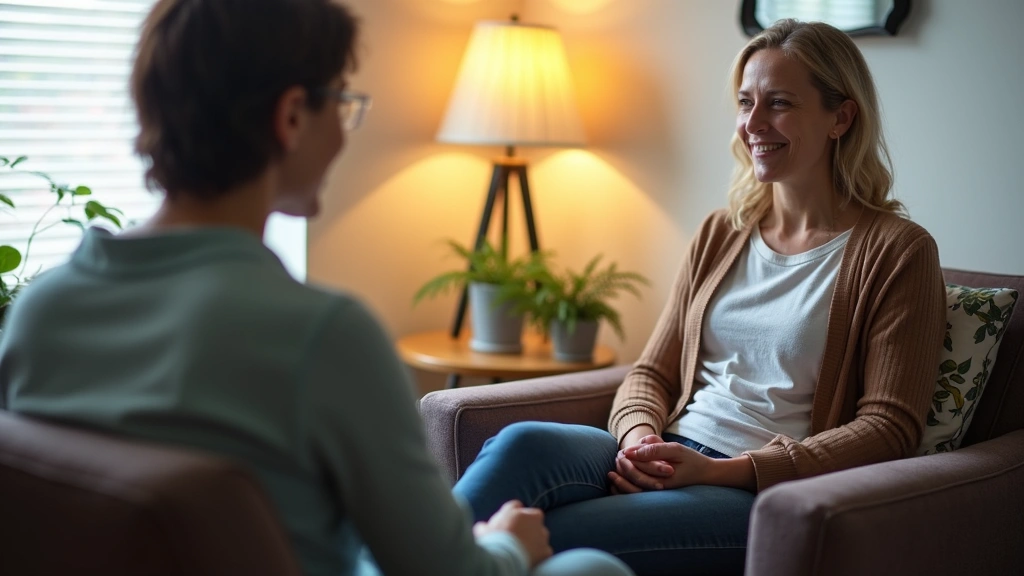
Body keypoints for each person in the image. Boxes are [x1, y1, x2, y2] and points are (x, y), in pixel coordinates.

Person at [0, 1, 634, 576]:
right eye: (344, 103)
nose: (343, 129)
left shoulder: (42, 308)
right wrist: (507, 547)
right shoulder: (321, 334)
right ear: (293, 115)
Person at [451, 18, 946, 576]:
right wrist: (639, 440)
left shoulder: (898, 251)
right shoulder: (722, 231)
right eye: (745, 102)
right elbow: (651, 374)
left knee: (541, 535)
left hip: (752, 492)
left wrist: (719, 471)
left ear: (841, 117)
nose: (752, 124)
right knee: (521, 444)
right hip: (669, 446)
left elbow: (888, 429)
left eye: (779, 103)